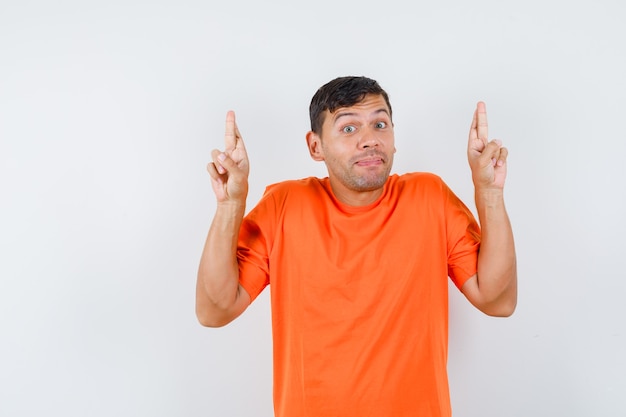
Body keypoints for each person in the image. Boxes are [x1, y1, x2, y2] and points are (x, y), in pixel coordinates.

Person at [196, 76, 517, 417]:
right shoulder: (284, 205)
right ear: (315, 146)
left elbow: (498, 301)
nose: (370, 140)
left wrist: (489, 193)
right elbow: (214, 310)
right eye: (349, 129)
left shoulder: (430, 198)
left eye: (380, 124)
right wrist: (231, 206)